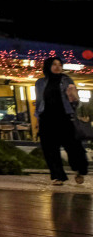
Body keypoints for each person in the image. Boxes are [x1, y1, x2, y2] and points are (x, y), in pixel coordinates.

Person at [35, 56, 88, 186]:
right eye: (54, 64)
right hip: (46, 119)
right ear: (48, 66)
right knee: (49, 149)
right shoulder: (40, 83)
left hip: (64, 118)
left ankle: (79, 169)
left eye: (60, 64)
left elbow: (76, 102)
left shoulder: (66, 80)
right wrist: (37, 119)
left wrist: (74, 97)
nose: (58, 67)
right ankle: (57, 176)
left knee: (74, 147)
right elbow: (39, 102)